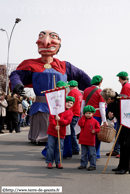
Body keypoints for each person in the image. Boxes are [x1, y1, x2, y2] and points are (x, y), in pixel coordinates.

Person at [9, 30, 91, 143]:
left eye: (53, 37)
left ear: (59, 42)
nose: (46, 42)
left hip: (60, 105)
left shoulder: (64, 66)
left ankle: (62, 141)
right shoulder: (30, 64)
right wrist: (17, 84)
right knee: (44, 125)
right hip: (41, 105)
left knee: (61, 128)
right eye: (41, 36)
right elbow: (16, 74)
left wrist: (93, 89)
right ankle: (42, 138)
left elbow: (82, 77)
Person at [100, 88, 130, 174]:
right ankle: (121, 166)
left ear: (109, 99)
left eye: (105, 99)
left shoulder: (124, 99)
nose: (104, 101)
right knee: (122, 145)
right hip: (121, 125)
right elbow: (109, 114)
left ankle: (125, 168)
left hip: (128, 125)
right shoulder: (110, 103)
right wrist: (110, 116)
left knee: (127, 146)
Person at [81, 75, 107, 159]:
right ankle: (95, 154)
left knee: (87, 135)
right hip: (97, 116)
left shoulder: (86, 90)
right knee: (96, 135)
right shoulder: (100, 91)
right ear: (100, 82)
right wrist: (104, 120)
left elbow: (83, 104)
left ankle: (87, 154)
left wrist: (82, 114)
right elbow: (102, 107)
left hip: (86, 115)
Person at [46, 96, 74, 169]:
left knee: (59, 149)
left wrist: (60, 119)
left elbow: (67, 122)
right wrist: (55, 125)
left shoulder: (70, 113)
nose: (69, 104)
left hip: (61, 133)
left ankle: (58, 162)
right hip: (52, 132)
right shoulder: (56, 109)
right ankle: (49, 162)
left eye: (71, 103)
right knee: (50, 148)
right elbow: (51, 118)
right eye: (67, 102)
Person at [106, 71, 130, 158]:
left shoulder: (125, 87)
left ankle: (118, 150)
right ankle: (117, 149)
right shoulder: (127, 85)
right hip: (124, 114)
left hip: (124, 115)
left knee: (121, 134)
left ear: (119, 78)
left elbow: (124, 102)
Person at [78, 105, 100, 170]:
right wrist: (83, 118)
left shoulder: (95, 121)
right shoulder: (82, 119)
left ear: (93, 113)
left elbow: (98, 129)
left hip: (91, 140)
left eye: (89, 113)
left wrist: (95, 130)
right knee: (83, 154)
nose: (88, 114)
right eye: (86, 113)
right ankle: (83, 164)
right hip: (83, 140)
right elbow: (80, 124)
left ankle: (93, 165)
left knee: (92, 153)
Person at [67, 80, 83, 155]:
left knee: (71, 132)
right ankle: (75, 147)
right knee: (73, 132)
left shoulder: (71, 92)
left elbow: (70, 104)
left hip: (72, 114)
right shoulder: (79, 93)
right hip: (77, 113)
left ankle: (75, 148)